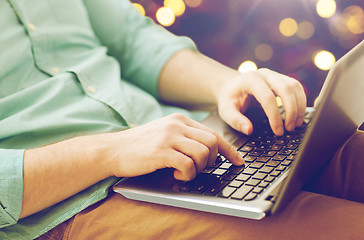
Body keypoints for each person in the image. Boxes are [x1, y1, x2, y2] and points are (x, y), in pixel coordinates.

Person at [0, 0, 363, 239]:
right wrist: (110, 150)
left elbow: (131, 40)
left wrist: (227, 84)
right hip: (74, 204)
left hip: (190, 136)